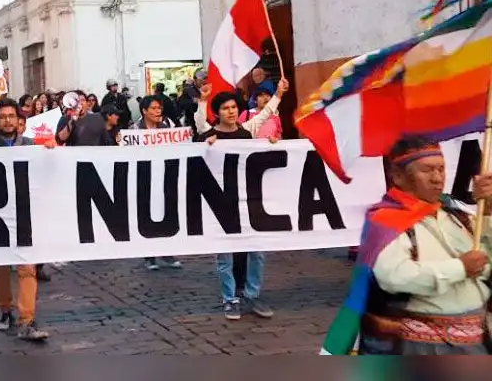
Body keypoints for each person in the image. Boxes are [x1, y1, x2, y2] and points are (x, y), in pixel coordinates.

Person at [322, 136, 492, 355]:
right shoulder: (385, 221)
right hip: (423, 347)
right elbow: (395, 276)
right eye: (427, 170)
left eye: (441, 169)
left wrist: (487, 211)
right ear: (398, 176)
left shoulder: (456, 215)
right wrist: (459, 268)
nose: (437, 178)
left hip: (476, 343)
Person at [194, 78, 289, 321]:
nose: (231, 111)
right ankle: (229, 299)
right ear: (218, 112)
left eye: (233, 107)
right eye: (225, 108)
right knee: (225, 255)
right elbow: (199, 123)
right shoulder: (210, 134)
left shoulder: (248, 130)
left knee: (256, 251)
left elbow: (267, 112)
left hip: (249, 200)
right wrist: (203, 101)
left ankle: (252, 294)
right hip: (221, 203)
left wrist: (278, 94)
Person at [0, 98, 53, 341]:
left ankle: (27, 319)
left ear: (19, 120)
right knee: (1, 269)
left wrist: (50, 150)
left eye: (11, 116)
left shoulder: (31, 146)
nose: (7, 121)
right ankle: (5, 310)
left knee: (27, 268)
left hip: (25, 214)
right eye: (2, 117)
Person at [133, 96, 183, 270]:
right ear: (144, 111)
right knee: (146, 214)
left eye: (159, 108)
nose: (158, 111)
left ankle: (167, 252)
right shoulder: (134, 130)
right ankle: (149, 256)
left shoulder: (167, 126)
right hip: (144, 177)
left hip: (165, 175)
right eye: (153, 108)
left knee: (167, 212)